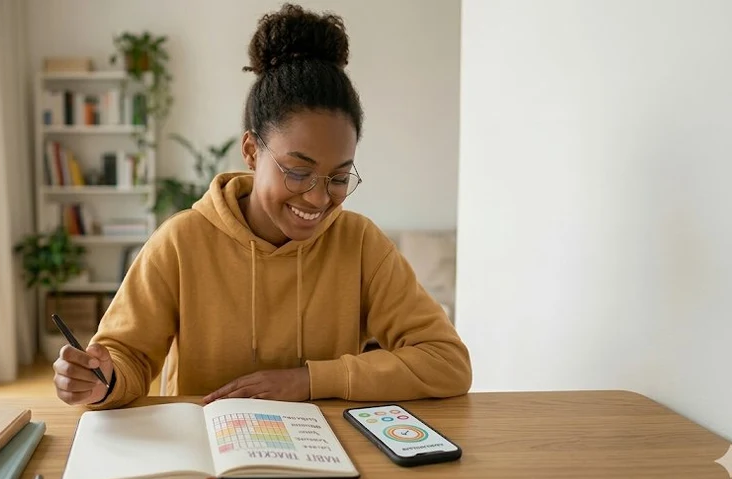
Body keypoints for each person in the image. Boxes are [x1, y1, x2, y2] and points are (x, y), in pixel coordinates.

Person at [52, 3, 472, 410]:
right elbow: (127, 359)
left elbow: (447, 361)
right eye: (297, 171)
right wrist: (99, 382)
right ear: (251, 150)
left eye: (339, 178)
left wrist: (309, 380)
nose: (319, 198)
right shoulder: (181, 242)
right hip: (208, 460)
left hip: (327, 461)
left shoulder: (360, 244)